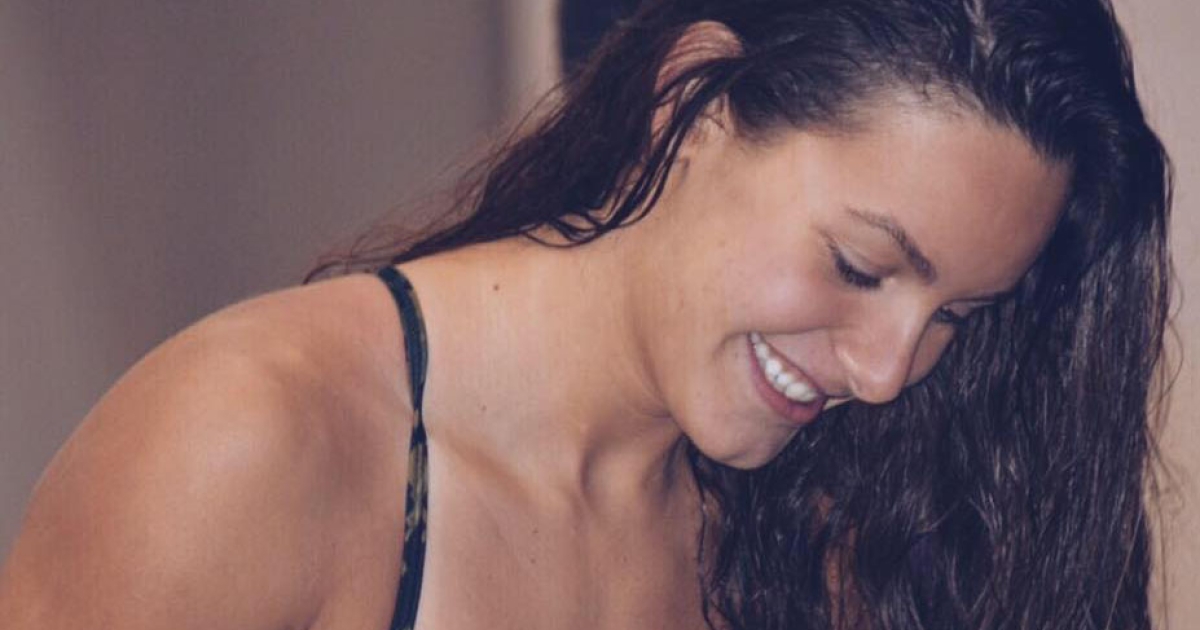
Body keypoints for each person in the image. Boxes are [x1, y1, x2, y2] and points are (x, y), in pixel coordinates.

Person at [0, 0, 1173, 628]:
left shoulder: (818, 538)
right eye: (859, 266)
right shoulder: (255, 445)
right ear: (690, 103)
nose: (884, 371)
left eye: (957, 316)